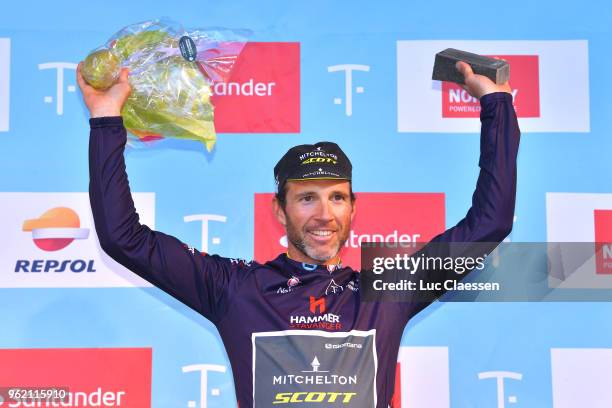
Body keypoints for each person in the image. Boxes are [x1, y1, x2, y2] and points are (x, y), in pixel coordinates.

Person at [77, 60, 519, 408]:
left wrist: (496, 105)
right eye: (307, 198)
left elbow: (489, 223)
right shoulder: (236, 288)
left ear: (353, 208)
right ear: (279, 209)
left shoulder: (386, 291)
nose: (324, 214)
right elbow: (123, 238)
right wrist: (105, 118)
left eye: (337, 198)